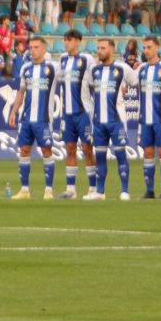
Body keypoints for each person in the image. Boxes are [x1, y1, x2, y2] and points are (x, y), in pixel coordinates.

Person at [5, 35, 57, 201]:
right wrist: (14, 111)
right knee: (24, 150)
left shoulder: (53, 67)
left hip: (43, 119)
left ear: (44, 49)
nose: (32, 50)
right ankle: (24, 190)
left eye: (36, 47)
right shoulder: (26, 68)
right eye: (31, 47)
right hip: (26, 119)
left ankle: (48, 190)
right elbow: (21, 92)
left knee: (46, 151)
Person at [80, 38, 132, 201]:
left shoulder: (123, 69)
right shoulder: (94, 69)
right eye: (98, 48)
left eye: (103, 48)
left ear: (112, 49)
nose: (99, 51)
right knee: (100, 156)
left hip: (116, 120)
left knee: (120, 154)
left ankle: (124, 191)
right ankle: (100, 192)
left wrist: (126, 89)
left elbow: (137, 83)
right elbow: (88, 87)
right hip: (99, 121)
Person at [52, 29, 94, 201]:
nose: (66, 43)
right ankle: (71, 190)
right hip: (67, 113)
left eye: (69, 40)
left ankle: (93, 189)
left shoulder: (87, 59)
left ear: (78, 41)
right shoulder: (62, 59)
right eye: (65, 39)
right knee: (69, 149)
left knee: (87, 149)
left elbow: (95, 83)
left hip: (83, 111)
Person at [131, 37, 161, 200]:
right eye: (144, 48)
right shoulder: (141, 69)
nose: (146, 50)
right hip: (145, 120)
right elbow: (129, 80)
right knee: (148, 153)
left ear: (157, 47)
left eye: (149, 47)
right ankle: (149, 191)